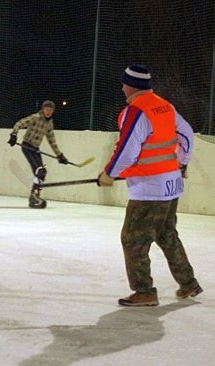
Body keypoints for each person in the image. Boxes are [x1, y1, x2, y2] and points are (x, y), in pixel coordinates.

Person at [97, 64, 202, 306]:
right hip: (171, 185)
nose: (122, 88)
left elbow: (127, 151)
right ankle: (188, 283)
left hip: (149, 190)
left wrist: (109, 174)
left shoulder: (135, 111)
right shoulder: (164, 105)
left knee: (133, 239)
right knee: (167, 234)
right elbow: (186, 133)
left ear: (131, 86)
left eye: (124, 83)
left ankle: (144, 291)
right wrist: (182, 163)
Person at [8, 100, 69, 208]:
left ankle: (35, 196)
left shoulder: (49, 124)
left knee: (42, 172)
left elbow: (52, 140)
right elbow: (20, 123)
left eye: (50, 110)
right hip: (27, 146)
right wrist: (14, 134)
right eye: (46, 109)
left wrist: (59, 155)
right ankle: (34, 196)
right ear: (43, 109)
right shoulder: (36, 117)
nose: (48, 112)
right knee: (39, 171)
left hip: (35, 149)